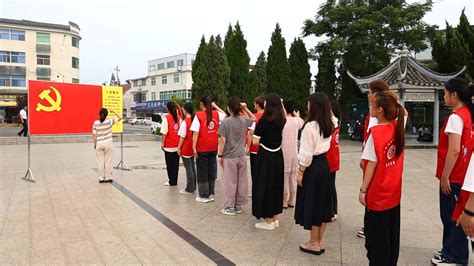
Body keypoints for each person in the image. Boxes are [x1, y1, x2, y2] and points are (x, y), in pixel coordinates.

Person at [359, 90, 405, 265]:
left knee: (376, 241)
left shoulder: (376, 133)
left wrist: (363, 190)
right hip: (393, 193)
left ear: (379, 109)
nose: (370, 107)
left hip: (378, 195)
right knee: (390, 238)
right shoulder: (396, 126)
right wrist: (393, 98)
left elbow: (371, 165)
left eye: (372, 104)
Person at [432, 78, 472, 265]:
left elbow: (454, 149)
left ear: (454, 95)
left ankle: (454, 256)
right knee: (454, 215)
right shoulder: (467, 114)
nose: (444, 96)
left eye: (446, 93)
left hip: (454, 176)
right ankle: (449, 250)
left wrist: (445, 176)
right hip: (463, 175)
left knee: (451, 216)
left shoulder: (455, 117)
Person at [295, 92, 336, 255]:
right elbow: (334, 117)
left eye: (309, 102)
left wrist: (300, 172)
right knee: (323, 204)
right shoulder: (330, 123)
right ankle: (319, 240)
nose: (307, 105)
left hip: (312, 167)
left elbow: (306, 154)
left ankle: (313, 242)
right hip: (324, 165)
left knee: (313, 203)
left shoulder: (310, 127)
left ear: (314, 106)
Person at [357, 80, 390, 239]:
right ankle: (369, 224)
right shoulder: (373, 113)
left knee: (370, 189)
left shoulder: (379, 114)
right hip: (370, 155)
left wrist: (366, 159)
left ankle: (369, 226)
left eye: (370, 92)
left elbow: (374, 138)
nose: (368, 95)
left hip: (374, 157)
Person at [252, 93, 286, 230]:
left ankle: (268, 221)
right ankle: (274, 217)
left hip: (265, 156)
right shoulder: (282, 120)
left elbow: (255, 141)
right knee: (276, 185)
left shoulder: (264, 120)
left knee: (264, 185)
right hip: (278, 155)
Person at [217, 97, 255, 215]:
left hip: (229, 156)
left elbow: (222, 141)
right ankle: (238, 205)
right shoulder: (243, 120)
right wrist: (245, 108)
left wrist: (220, 155)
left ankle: (229, 207)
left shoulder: (225, 122)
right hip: (241, 155)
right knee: (241, 181)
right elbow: (254, 119)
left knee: (229, 182)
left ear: (228, 108)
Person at [191, 96, 226, 203]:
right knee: (211, 170)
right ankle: (210, 193)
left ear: (201, 104)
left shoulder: (198, 115)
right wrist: (215, 106)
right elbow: (225, 114)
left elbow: (195, 133)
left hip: (202, 147)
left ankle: (203, 195)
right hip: (213, 147)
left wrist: (193, 147)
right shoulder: (217, 114)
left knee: (202, 171)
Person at [281, 99, 304, 209]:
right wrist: (295, 113)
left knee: (284, 178)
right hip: (295, 153)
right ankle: (292, 200)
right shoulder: (296, 121)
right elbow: (302, 122)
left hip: (284, 153)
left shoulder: (282, 121)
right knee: (292, 178)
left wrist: (281, 104)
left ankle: (284, 201)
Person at [92, 108, 122, 183]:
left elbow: (94, 135)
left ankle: (101, 178)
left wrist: (95, 144)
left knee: (100, 162)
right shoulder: (109, 121)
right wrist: (114, 111)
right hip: (108, 143)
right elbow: (120, 118)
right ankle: (109, 177)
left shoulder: (95, 123)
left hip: (99, 143)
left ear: (99, 114)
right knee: (108, 161)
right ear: (106, 114)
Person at [177, 102, 197, 194]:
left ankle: (189, 188)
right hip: (193, 147)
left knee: (188, 168)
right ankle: (193, 187)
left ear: (185, 110)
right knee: (192, 168)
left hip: (186, 148)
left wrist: (178, 148)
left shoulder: (185, 122)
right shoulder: (194, 120)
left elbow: (182, 137)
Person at [161, 101, 182, 187]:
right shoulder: (179, 118)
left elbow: (164, 133)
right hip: (177, 145)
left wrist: (162, 143)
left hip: (169, 146)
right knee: (176, 164)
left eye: (166, 107)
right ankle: (175, 180)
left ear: (168, 109)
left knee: (170, 165)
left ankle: (171, 181)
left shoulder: (167, 118)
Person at [327, 100, 341, 220]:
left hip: (329, 158)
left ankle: (332, 211)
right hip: (334, 158)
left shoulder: (333, 122)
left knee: (329, 186)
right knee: (331, 185)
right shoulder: (336, 123)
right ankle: (333, 210)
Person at [248, 96, 265, 195]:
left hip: (255, 148)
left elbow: (251, 133)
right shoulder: (269, 116)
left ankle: (255, 190)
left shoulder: (254, 117)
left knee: (254, 171)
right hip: (265, 148)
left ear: (257, 105)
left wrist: (247, 147)